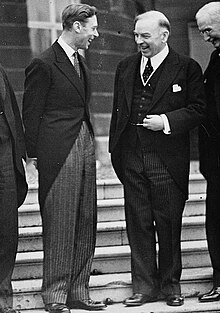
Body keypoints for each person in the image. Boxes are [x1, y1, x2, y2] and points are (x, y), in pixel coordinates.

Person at [109, 10, 206, 307]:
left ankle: (170, 286)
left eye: (145, 36)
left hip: (166, 160)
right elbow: (117, 113)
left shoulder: (186, 67)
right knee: (137, 225)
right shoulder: (125, 67)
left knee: (168, 224)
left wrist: (164, 121)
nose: (139, 41)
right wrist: (119, 154)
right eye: (136, 36)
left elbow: (198, 109)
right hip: (132, 159)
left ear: (164, 35)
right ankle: (144, 287)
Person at [22, 4, 106, 312]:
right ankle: (55, 296)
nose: (96, 33)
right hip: (57, 151)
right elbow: (31, 115)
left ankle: (78, 292)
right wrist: (36, 157)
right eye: (92, 28)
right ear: (76, 27)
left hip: (82, 142)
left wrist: (92, 145)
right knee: (60, 221)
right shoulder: (43, 63)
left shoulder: (80, 63)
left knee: (86, 218)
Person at [195, 2, 220, 303]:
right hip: (216, 163)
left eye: (207, 30)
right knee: (215, 221)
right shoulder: (215, 58)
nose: (205, 37)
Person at [0, 64, 28, 312]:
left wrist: (20, 154)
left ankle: (4, 299)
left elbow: (13, 114)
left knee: (8, 229)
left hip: (5, 157)